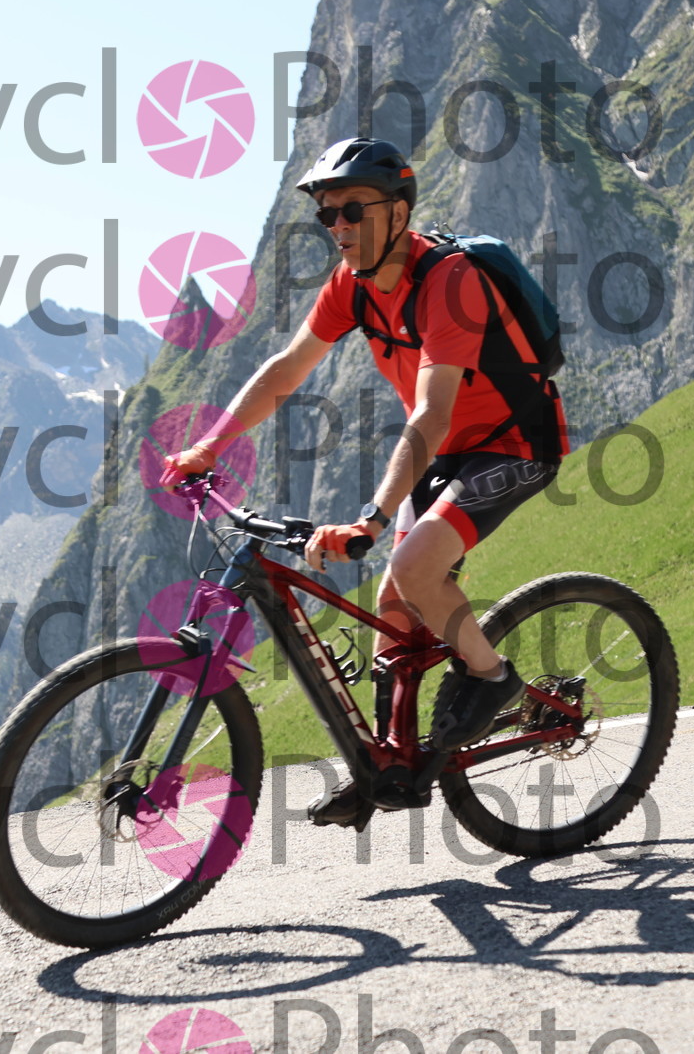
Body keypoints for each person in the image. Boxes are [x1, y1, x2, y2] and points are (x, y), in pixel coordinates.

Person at [160, 136, 571, 828]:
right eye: (328, 215)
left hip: (513, 442)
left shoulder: (450, 281)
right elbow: (288, 368)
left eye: (353, 210)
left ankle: (493, 677)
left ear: (399, 212)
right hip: (446, 451)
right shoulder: (351, 285)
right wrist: (208, 447)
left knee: (412, 566)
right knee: (395, 600)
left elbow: (432, 412)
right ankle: (384, 765)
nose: (339, 226)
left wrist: (373, 519)